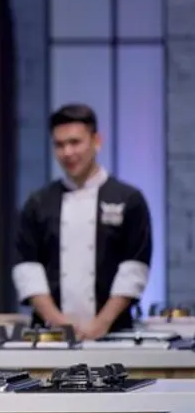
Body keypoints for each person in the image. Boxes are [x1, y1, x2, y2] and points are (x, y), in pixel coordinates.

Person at [12, 103, 152, 339]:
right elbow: (27, 268)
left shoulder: (128, 199)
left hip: (114, 334)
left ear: (96, 141)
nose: (67, 152)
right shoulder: (38, 202)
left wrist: (102, 323)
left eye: (75, 142)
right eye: (59, 145)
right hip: (51, 337)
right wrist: (58, 322)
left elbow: (134, 268)